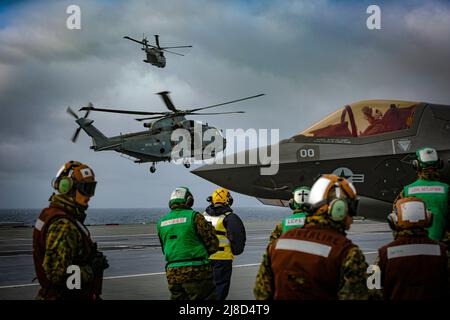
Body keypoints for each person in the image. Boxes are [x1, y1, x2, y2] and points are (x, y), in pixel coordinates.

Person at [254, 174, 369, 300]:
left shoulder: (276, 246)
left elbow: (261, 295)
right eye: (351, 208)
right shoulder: (347, 253)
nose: (351, 219)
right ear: (338, 209)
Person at [32, 161, 108, 300]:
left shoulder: (52, 213)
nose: (90, 195)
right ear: (68, 188)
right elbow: (56, 275)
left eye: (92, 188)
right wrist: (91, 270)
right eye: (86, 189)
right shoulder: (63, 225)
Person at [372, 197, 448, 299]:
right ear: (428, 219)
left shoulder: (384, 254)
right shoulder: (442, 252)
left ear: (394, 221)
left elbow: (371, 288)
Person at [157, 187, 219, 300]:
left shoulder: (161, 222)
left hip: (173, 273)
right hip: (197, 271)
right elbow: (213, 243)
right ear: (189, 200)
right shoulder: (195, 217)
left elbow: (164, 248)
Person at [397, 147, 449, 241]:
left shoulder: (407, 190)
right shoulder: (447, 189)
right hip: (441, 246)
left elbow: (398, 219)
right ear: (439, 164)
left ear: (416, 165)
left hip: (416, 244)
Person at [203, 188, 246, 300]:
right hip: (222, 259)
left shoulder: (203, 216)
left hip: (204, 258)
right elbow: (238, 238)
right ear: (227, 200)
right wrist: (236, 251)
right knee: (220, 289)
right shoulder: (230, 217)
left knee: (205, 290)